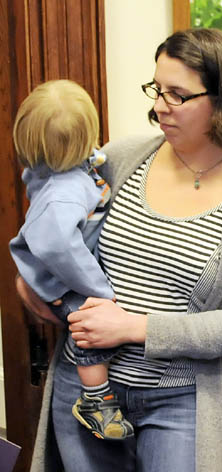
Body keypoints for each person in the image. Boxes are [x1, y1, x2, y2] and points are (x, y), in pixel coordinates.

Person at [23, 28, 222, 472]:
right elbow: (57, 232)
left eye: (176, 94)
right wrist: (32, 285)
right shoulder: (119, 158)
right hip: (86, 390)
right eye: (156, 89)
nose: (158, 106)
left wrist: (133, 327)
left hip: (182, 404)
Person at [10, 79, 133, 441]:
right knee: (94, 329)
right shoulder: (66, 192)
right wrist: (99, 289)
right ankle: (95, 401)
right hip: (61, 278)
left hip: (56, 271)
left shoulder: (64, 172)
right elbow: (56, 246)